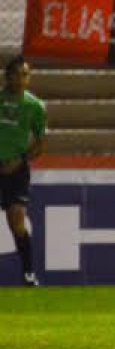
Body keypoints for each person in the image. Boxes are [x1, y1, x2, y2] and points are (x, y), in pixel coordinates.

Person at [0, 56, 47, 287]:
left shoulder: (35, 106)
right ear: (6, 77)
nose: (21, 79)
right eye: (16, 74)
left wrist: (20, 160)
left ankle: (29, 273)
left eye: (25, 74)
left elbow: (40, 144)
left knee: (17, 220)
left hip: (17, 169)